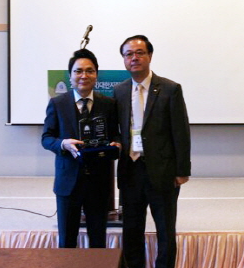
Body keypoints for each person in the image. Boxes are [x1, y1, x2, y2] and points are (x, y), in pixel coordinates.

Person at [113, 35, 191, 268]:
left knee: (165, 230)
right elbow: (117, 129)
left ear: (150, 56)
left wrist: (182, 171)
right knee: (131, 230)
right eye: (128, 54)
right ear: (124, 60)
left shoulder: (170, 89)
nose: (134, 58)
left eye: (139, 53)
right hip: (130, 171)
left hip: (163, 172)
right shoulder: (119, 91)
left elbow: (181, 132)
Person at [42, 48, 121, 248]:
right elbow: (46, 138)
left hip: (99, 182)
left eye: (89, 71)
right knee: (67, 241)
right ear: (70, 76)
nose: (83, 75)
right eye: (78, 71)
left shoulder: (109, 104)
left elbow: (115, 135)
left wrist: (117, 144)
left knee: (98, 241)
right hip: (68, 182)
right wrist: (63, 144)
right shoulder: (57, 103)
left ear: (96, 75)